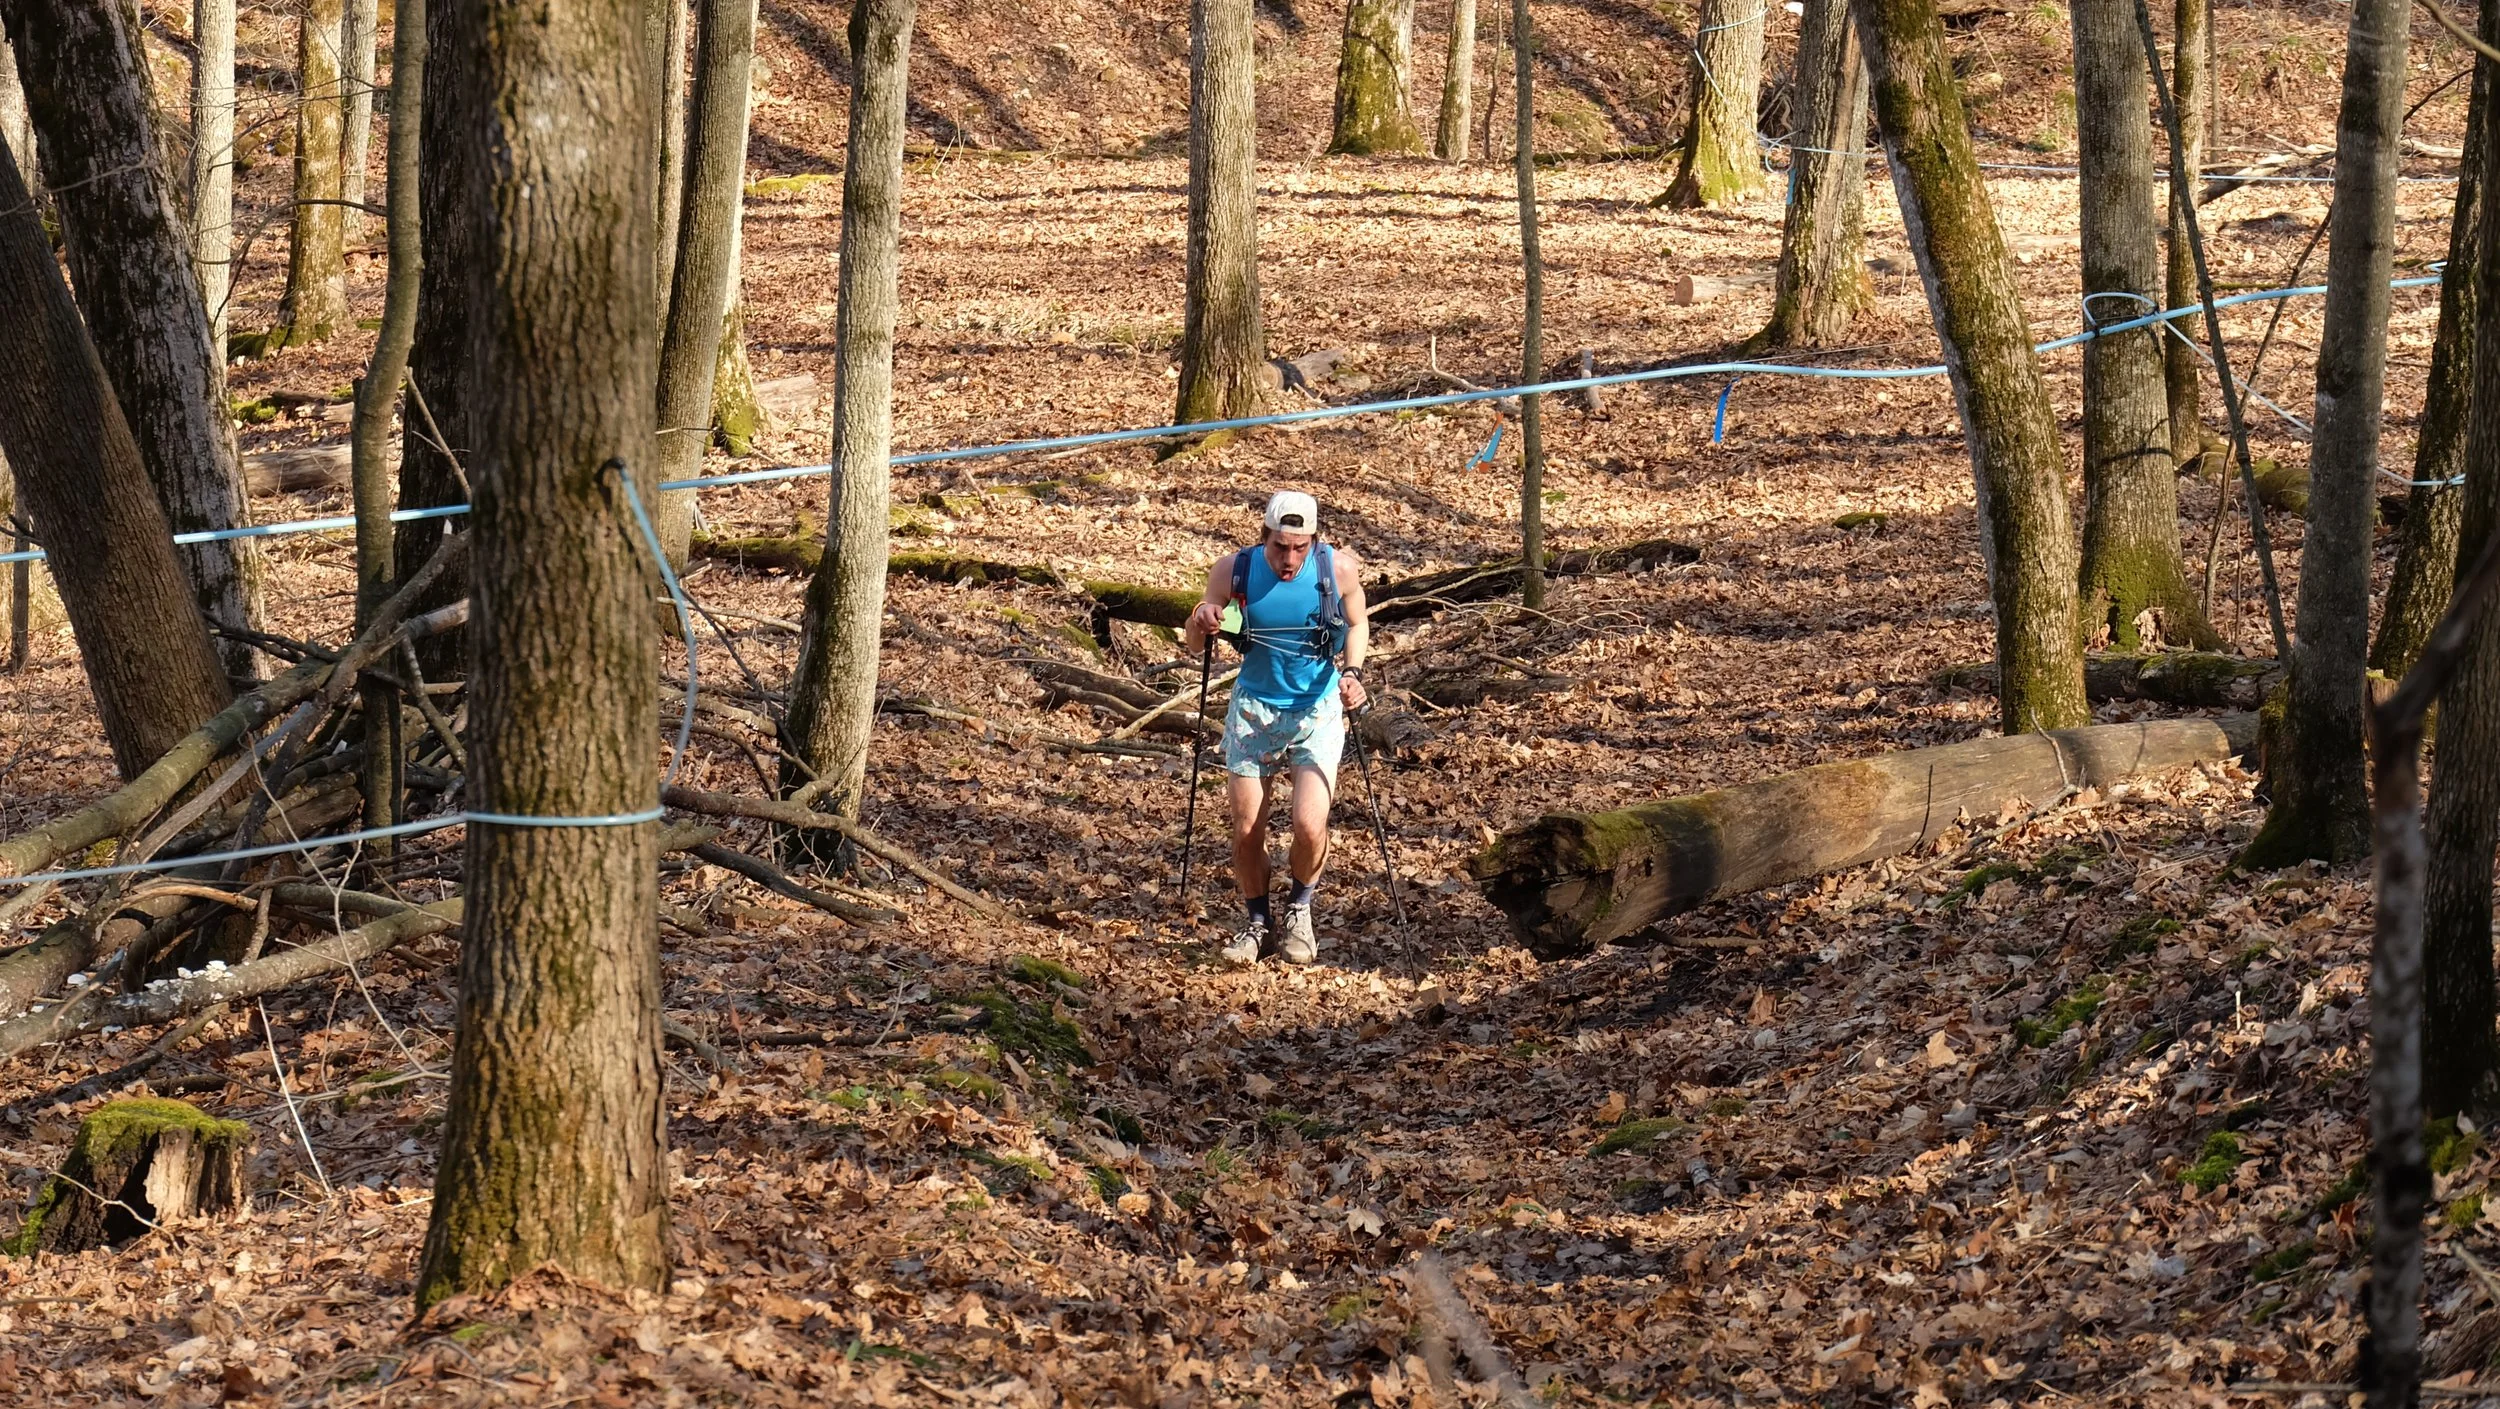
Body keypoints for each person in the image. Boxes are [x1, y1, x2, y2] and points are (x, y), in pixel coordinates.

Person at [1183, 491, 1371, 966]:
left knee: (1309, 824)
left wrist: (1353, 674)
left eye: (1300, 547)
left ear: (1314, 540)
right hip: (1255, 711)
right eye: (1280, 546)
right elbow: (1193, 640)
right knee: (1247, 831)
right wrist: (1202, 619)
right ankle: (1257, 923)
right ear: (1264, 536)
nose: (1289, 558)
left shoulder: (1339, 570)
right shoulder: (1234, 570)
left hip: (1317, 710)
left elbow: (1358, 623)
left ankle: (1300, 911)